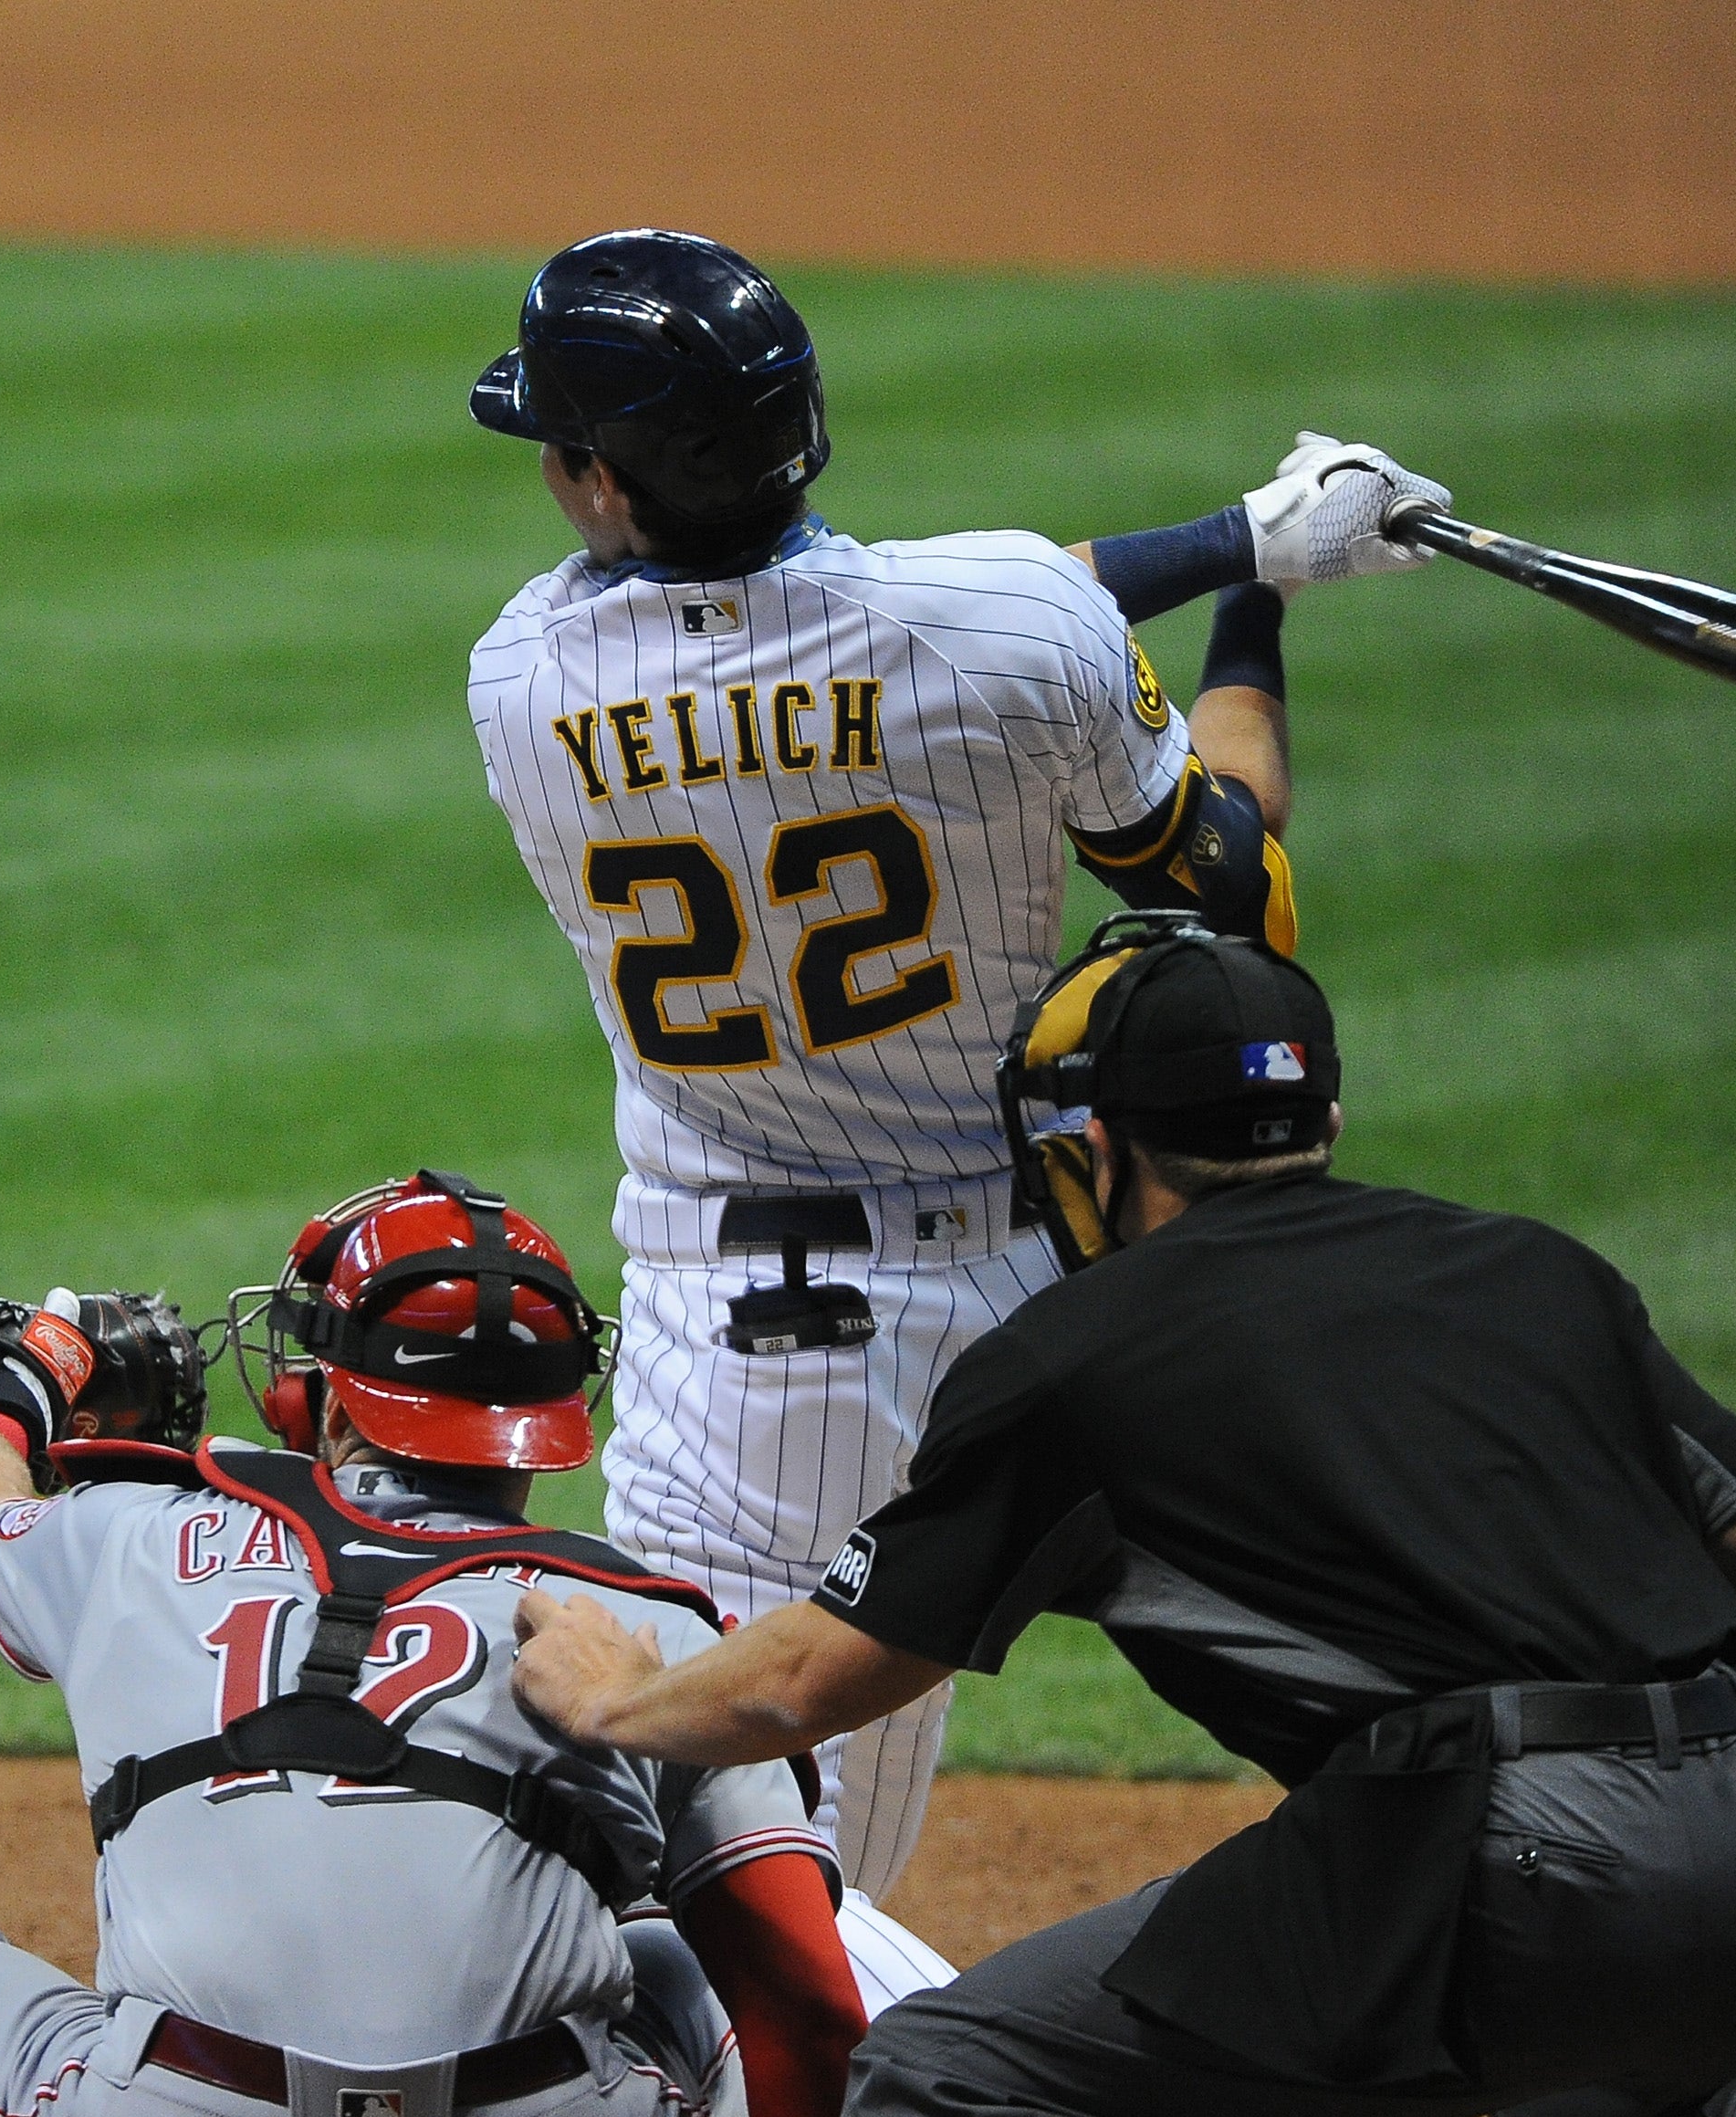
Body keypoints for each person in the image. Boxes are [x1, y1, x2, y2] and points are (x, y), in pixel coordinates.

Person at [508, 922, 1736, 2117]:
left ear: (1099, 1143)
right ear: (1320, 1118)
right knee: (1631, 2067)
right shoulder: (1539, 1267)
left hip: (1506, 1866)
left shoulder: (1079, 1353)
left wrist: (617, 1695)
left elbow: (806, 1679)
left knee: (944, 2080)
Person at [464, 225, 1450, 1911]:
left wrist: (1234, 543)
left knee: (757, 1888)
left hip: (756, 1373)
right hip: (1076, 1299)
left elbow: (938, 610)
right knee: (1395, 1694)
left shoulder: (526, 676)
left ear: (610, 486)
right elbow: (1227, 869)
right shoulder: (1003, 628)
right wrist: (1257, 584)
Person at [0, 1171, 870, 2117]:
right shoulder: (651, 1628)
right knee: (684, 1961)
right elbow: (811, 2012)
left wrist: (5, 1380)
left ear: (320, 1398)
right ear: (557, 1411)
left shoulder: (136, 1533)